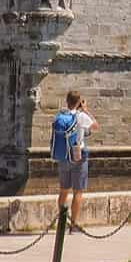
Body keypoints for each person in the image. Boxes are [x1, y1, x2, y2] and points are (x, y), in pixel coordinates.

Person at [49, 90, 97, 229]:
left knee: (64, 190)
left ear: (67, 101)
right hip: (78, 154)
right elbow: (96, 126)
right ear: (78, 102)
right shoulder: (81, 116)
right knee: (78, 191)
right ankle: (73, 224)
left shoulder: (60, 116)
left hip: (64, 155)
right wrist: (86, 110)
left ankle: (62, 222)